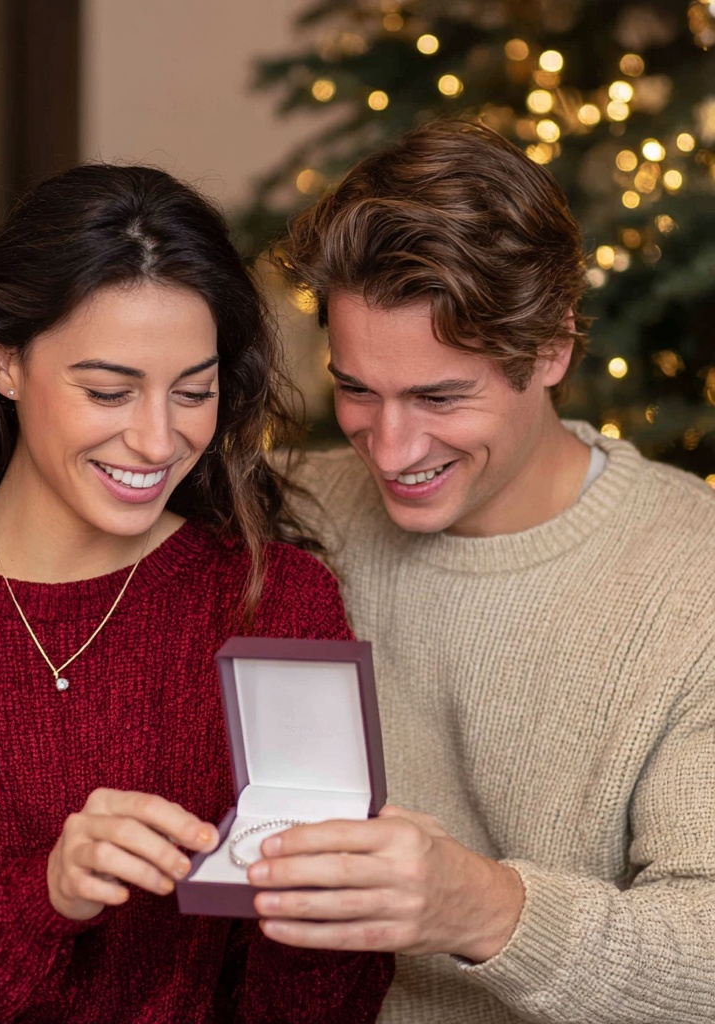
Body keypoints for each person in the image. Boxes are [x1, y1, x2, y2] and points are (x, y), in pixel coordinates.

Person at [0, 164, 393, 1023]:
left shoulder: (273, 600)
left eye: (194, 392)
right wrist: (47, 896)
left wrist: (325, 903)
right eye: (108, 390)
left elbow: (322, 1005)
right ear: (4, 363)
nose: (157, 437)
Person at [247, 119, 715, 1023]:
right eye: (356, 389)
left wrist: (483, 908)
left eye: (438, 396)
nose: (390, 447)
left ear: (551, 350)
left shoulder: (694, 581)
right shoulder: (284, 511)